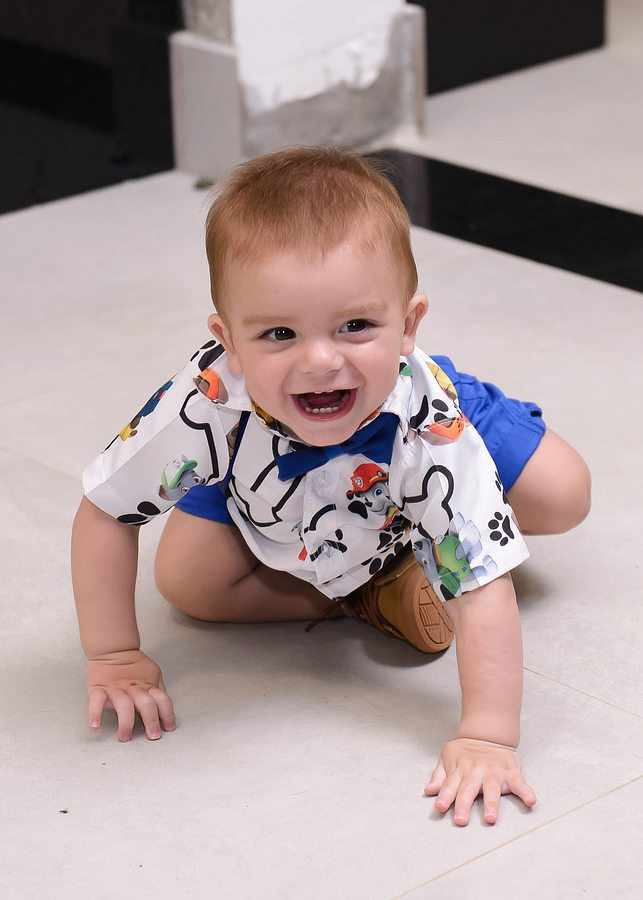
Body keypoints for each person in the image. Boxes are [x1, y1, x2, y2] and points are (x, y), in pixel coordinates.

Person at [71, 147, 591, 827]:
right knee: (189, 587)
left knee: (562, 492)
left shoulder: (428, 426)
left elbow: (482, 578)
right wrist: (114, 654)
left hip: (402, 434)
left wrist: (486, 737)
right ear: (229, 343)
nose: (320, 359)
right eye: (278, 333)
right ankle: (374, 591)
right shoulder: (207, 402)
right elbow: (106, 511)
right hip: (262, 477)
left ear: (407, 326)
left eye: (356, 325)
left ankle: (413, 532)